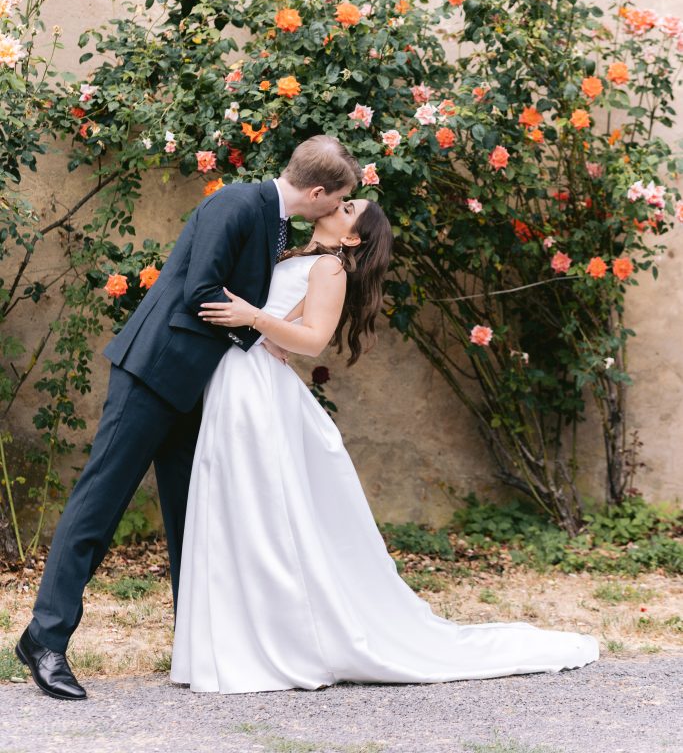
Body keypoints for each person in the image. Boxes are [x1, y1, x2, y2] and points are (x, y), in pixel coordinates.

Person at [170, 199, 599, 694]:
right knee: (234, 505)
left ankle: (276, 643)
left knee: (262, 509)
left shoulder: (331, 267)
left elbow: (313, 341)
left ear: (352, 238)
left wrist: (252, 318)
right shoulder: (292, 251)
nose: (338, 202)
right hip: (238, 376)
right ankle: (236, 641)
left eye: (349, 207)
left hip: (259, 388)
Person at [16, 135, 360, 701]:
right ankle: (45, 640)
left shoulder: (274, 223)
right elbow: (202, 291)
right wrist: (259, 334)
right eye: (340, 199)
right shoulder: (238, 203)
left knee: (192, 519)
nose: (338, 210)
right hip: (154, 373)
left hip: (199, 389)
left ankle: (197, 645)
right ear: (319, 193)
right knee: (98, 506)